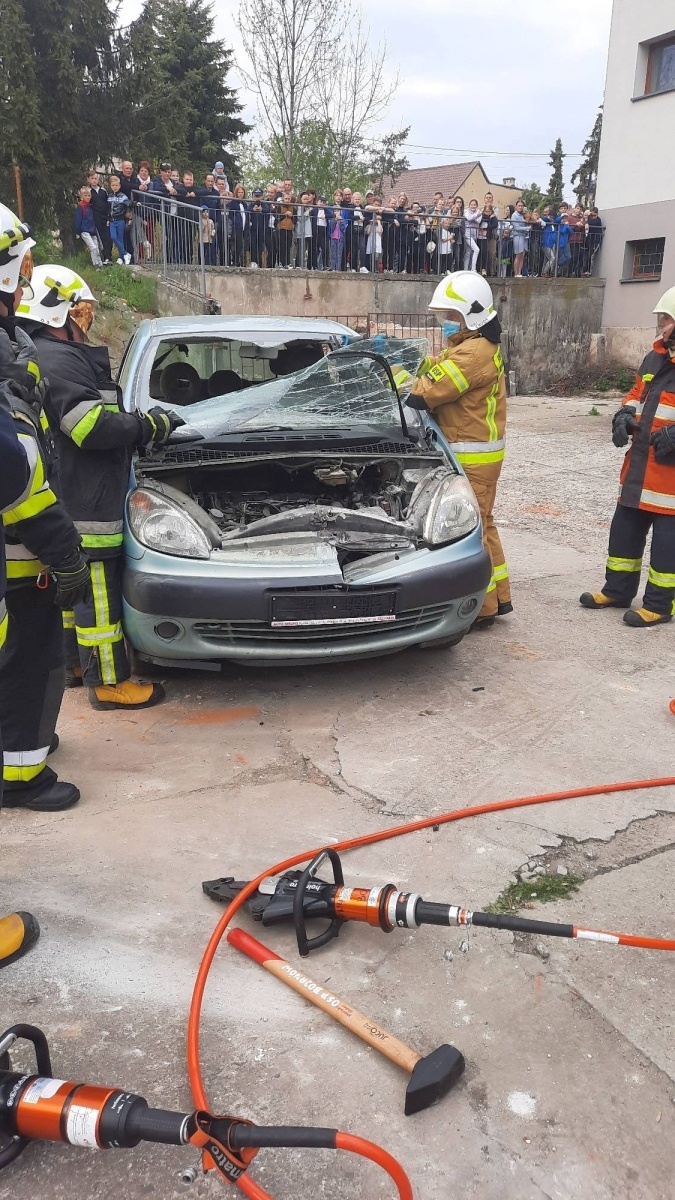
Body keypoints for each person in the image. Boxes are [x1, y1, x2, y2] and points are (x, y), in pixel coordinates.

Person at [17, 264, 183, 708]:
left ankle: (77, 666)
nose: (85, 322)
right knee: (100, 602)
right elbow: (88, 427)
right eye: (80, 312)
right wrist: (147, 426)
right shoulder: (58, 357)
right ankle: (109, 683)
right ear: (56, 314)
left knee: (76, 600)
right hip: (85, 501)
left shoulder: (48, 355)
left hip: (73, 497)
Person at [0, 205, 89, 812]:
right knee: (32, 661)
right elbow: (19, 475)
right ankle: (23, 775)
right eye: (20, 265)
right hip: (18, 553)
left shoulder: (17, 347)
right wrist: (64, 551)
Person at [408, 271, 511, 627]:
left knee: (472, 531)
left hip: (472, 457)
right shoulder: (471, 347)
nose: (446, 325)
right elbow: (435, 369)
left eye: (451, 317)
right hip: (479, 456)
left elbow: (425, 393)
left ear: (472, 315)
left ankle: (481, 610)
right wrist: (409, 359)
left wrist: (400, 378)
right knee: (484, 524)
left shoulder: (472, 354)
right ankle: (499, 598)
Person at [580, 286, 675, 627]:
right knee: (623, 534)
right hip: (638, 470)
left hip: (671, 482)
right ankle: (617, 591)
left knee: (667, 548)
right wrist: (622, 415)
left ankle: (660, 605)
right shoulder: (655, 358)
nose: (660, 325)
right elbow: (636, 392)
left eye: (665, 318)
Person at [86, 170, 111, 264]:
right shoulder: (89, 192)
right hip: (95, 218)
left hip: (105, 218)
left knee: (107, 238)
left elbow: (107, 204)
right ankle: (100, 259)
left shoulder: (103, 191)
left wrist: (108, 216)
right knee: (99, 239)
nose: (94, 180)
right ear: (88, 179)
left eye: (95, 178)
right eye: (92, 178)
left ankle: (108, 257)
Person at [74, 187, 103, 268]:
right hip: (84, 230)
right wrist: (78, 231)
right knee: (93, 248)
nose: (87, 197)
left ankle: (100, 264)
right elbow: (78, 219)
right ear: (81, 197)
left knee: (96, 247)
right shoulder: (81, 206)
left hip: (92, 230)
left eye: (89, 195)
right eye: (85, 195)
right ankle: (96, 265)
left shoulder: (90, 206)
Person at [107, 175, 131, 265]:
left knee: (120, 239)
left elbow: (129, 203)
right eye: (113, 185)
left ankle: (121, 258)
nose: (115, 187)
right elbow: (108, 209)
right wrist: (108, 218)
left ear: (119, 186)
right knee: (113, 237)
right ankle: (125, 254)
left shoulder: (123, 196)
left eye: (116, 185)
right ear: (110, 186)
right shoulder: (109, 197)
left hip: (120, 220)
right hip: (112, 220)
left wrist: (136, 203)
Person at [249, 189, 267, 267]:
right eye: (256, 196)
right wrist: (253, 210)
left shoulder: (264, 205)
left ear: (262, 196)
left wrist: (261, 210)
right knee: (253, 245)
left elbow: (268, 210)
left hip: (262, 229)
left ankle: (260, 263)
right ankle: (253, 261)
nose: (257, 198)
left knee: (261, 246)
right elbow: (247, 211)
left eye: (259, 196)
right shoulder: (251, 205)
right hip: (252, 229)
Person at [510, 199, 529, 277]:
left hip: (523, 236)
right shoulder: (514, 215)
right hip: (517, 236)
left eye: (522, 206)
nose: (520, 207)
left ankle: (519, 273)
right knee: (518, 255)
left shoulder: (522, 215)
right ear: (516, 206)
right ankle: (516, 273)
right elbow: (517, 227)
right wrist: (527, 228)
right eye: (519, 206)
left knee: (522, 255)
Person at [329, 192, 345, 271]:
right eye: (335, 211)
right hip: (333, 238)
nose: (336, 212)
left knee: (339, 255)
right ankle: (333, 268)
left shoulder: (342, 219)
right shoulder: (332, 219)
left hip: (340, 239)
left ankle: (338, 269)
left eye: (338, 211)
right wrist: (335, 220)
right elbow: (331, 228)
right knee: (333, 254)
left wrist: (340, 221)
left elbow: (343, 229)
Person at [463, 199, 481, 271]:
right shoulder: (466, 211)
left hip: (474, 234)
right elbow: (468, 218)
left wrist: (473, 217)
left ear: (476, 206)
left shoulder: (479, 211)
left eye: (474, 205)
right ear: (469, 205)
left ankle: (466, 269)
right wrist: (476, 216)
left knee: (468, 252)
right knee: (476, 249)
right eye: (471, 204)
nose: (473, 206)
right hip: (467, 234)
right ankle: (473, 269)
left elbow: (478, 221)